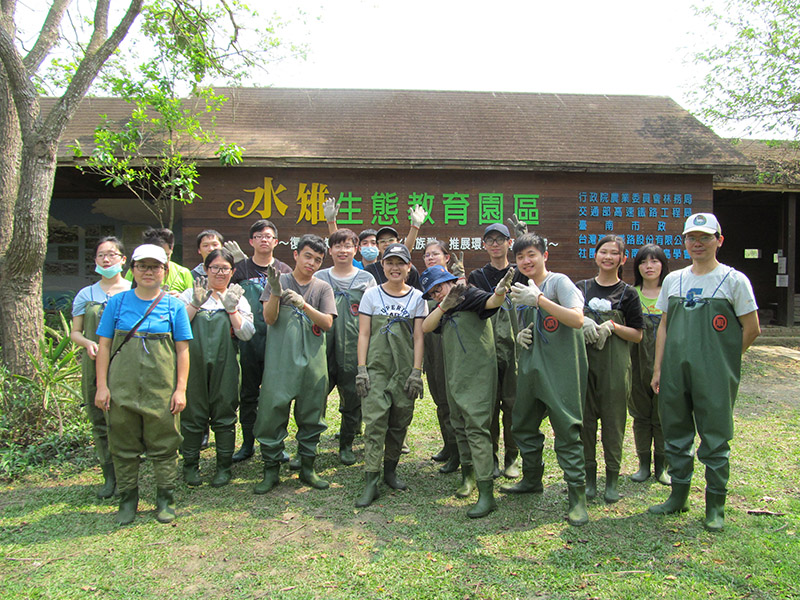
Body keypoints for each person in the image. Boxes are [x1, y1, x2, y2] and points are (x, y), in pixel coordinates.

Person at [649, 213, 760, 531]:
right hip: (674, 371)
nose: (697, 243)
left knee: (715, 438)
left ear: (719, 240)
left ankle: (715, 506)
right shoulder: (674, 280)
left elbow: (751, 329)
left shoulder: (734, 280)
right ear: (684, 241)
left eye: (705, 237)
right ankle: (678, 496)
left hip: (714, 373)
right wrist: (658, 368)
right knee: (675, 432)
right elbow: (664, 326)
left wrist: (723, 359)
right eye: (691, 238)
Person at [94, 244, 192, 525]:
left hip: (161, 389)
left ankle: (165, 498)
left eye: (155, 267)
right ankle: (128, 499)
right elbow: (104, 347)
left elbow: (183, 350)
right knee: (123, 443)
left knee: (164, 443)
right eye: (142, 266)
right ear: (133, 269)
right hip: (121, 387)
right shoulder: (117, 303)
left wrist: (180, 389)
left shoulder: (173, 306)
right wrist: (102, 386)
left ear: (164, 271)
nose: (148, 272)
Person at [501, 233, 589, 526]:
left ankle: (577, 498)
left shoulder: (559, 283)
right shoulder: (520, 289)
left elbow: (577, 319)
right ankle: (531, 479)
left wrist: (539, 299)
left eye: (531, 255)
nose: (526, 261)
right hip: (529, 368)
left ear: (544, 256)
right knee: (522, 425)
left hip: (561, 368)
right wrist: (520, 335)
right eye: (521, 257)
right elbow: (527, 326)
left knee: (567, 430)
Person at [421, 264, 512, 518]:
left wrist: (501, 292)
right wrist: (443, 305)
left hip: (477, 374)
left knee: (476, 428)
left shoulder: (470, 295)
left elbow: (492, 302)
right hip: (455, 374)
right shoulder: (443, 307)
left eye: (439, 288)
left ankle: (487, 494)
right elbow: (426, 327)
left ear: (450, 281)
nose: (437, 294)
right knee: (458, 423)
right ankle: (468, 477)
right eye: (432, 293)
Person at [253, 234, 337, 494]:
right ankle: (271, 470)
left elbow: (327, 323)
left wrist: (304, 305)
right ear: (296, 255)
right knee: (271, 414)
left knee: (312, 415)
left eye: (318, 259)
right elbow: (269, 318)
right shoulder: (278, 280)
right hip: (280, 362)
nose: (311, 263)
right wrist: (276, 293)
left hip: (313, 363)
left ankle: (308, 468)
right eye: (308, 256)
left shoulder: (322, 287)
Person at [354, 244, 427, 508]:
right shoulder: (371, 295)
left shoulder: (418, 298)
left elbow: (419, 337)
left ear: (409, 267)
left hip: (404, 371)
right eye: (390, 263)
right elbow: (363, 334)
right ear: (382, 266)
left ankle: (390, 471)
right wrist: (361, 369)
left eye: (401, 263)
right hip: (376, 368)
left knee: (399, 422)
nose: (395, 268)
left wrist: (416, 372)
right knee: (374, 423)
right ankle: (371, 481)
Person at [576, 235, 644, 503]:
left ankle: (612, 479)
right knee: (586, 422)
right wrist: (581, 323)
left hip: (615, 367)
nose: (607, 257)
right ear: (595, 255)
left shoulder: (628, 293)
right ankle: (589, 478)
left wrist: (613, 326)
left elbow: (638, 334)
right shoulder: (581, 288)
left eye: (613, 253)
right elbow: (569, 317)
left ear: (622, 259)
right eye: (603, 251)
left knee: (614, 423)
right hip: (584, 362)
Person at [179, 248, 254, 487]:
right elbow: (176, 327)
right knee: (192, 414)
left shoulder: (238, 297)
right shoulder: (191, 294)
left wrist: (231, 309)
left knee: (224, 413)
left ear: (232, 272)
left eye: (225, 269)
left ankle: (223, 466)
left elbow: (247, 334)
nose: (220, 273)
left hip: (226, 364)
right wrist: (194, 304)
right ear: (205, 269)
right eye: (215, 268)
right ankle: (190, 466)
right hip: (193, 364)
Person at [70, 236, 131, 499]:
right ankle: (109, 476)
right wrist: (87, 343)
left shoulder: (133, 291)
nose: (106, 260)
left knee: (124, 417)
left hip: (126, 362)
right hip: (94, 361)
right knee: (99, 419)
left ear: (123, 259)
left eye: (112, 255)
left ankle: (127, 474)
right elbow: (75, 332)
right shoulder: (87, 294)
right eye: (101, 255)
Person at [230, 220, 292, 463]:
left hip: (277, 342)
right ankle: (247, 443)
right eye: (259, 236)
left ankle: (277, 442)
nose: (264, 239)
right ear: (251, 241)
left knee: (277, 395)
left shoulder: (284, 270)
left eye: (268, 236)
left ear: (276, 242)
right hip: (248, 341)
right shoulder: (240, 269)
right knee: (248, 394)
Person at [314, 229, 376, 465]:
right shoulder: (319, 277)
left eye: (348, 246)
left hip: (353, 345)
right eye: (337, 246)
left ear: (356, 249)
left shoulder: (366, 279)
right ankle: (309, 443)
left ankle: (347, 445)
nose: (343, 250)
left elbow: (371, 315)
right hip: (322, 345)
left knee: (353, 396)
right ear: (330, 250)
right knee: (315, 394)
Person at [467, 223, 522, 479]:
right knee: (488, 405)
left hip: (517, 346)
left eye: (501, 239)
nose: (495, 244)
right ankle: (492, 457)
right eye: (490, 240)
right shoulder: (477, 276)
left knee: (512, 404)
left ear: (510, 243)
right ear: (484, 245)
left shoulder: (521, 273)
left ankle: (513, 457)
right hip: (486, 347)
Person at [629, 244, 670, 485]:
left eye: (654, 261)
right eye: (644, 262)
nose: (649, 266)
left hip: (665, 364)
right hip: (636, 364)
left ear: (663, 265)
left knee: (662, 415)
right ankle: (643, 465)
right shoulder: (630, 293)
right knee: (640, 415)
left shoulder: (671, 293)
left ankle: (661, 467)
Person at [421, 240, 460, 474]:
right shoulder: (426, 288)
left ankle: (458, 453)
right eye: (426, 255)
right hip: (432, 348)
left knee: (453, 400)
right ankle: (449, 445)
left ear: (447, 257)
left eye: (435, 253)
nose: (430, 257)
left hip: (454, 349)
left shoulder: (457, 286)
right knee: (440, 399)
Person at [125, 227, 193, 293]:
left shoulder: (183, 273)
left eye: (166, 256)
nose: (149, 272)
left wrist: (180, 298)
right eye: (143, 266)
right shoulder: (135, 271)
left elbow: (192, 298)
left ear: (171, 249)